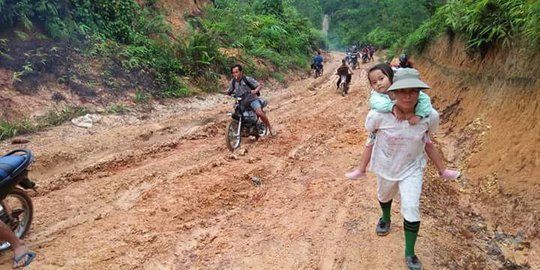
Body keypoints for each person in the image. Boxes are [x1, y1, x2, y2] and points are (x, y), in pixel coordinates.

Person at [366, 68, 444, 269]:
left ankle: (410, 252)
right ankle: (386, 216)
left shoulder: (429, 116)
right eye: (402, 91)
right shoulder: (378, 115)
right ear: (393, 92)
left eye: (414, 91)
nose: (408, 96)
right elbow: (371, 133)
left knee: (411, 207)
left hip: (412, 167)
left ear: (420, 92)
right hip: (387, 164)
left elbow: (429, 138)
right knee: (384, 195)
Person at [345, 63, 459, 180]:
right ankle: (361, 169)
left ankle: (442, 170)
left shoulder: (402, 88)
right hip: (388, 124)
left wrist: (419, 114)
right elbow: (375, 103)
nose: (378, 84)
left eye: (381, 79)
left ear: (391, 77)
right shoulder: (377, 95)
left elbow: (424, 99)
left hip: (412, 121)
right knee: (370, 143)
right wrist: (392, 107)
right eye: (374, 82)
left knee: (427, 142)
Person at [225, 64, 275, 136]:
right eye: (233, 73)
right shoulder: (233, 82)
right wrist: (223, 92)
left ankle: (270, 128)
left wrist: (255, 91)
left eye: (237, 72)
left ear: (241, 72)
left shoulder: (247, 79)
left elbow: (259, 85)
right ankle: (242, 129)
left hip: (252, 100)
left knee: (259, 113)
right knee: (236, 114)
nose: (235, 74)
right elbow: (229, 91)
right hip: (241, 102)